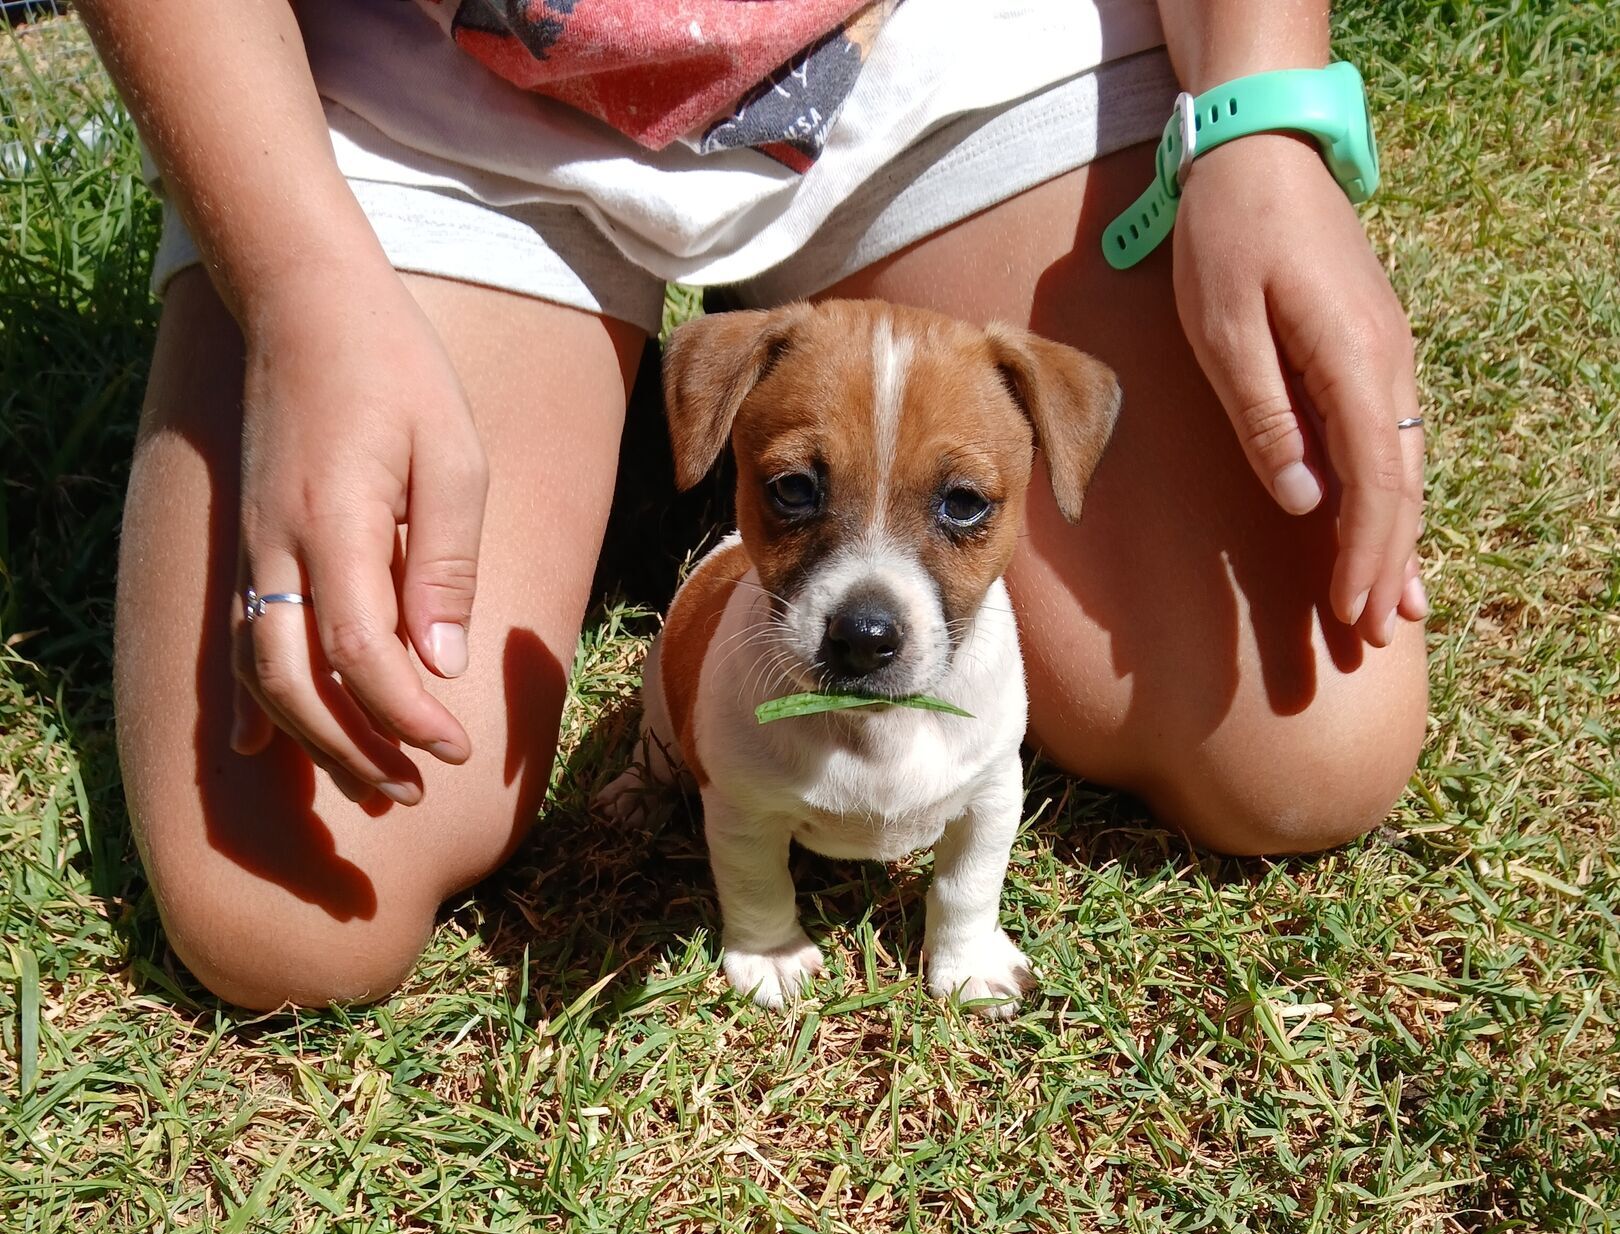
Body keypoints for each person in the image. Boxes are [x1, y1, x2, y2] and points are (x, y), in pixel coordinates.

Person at [80, 0, 1428, 1012]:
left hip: (939, 45)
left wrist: (1261, 111)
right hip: (420, 84)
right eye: (795, 492)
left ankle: (766, 381)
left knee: (1308, 751)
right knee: (296, 909)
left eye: (961, 506)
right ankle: (670, 385)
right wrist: (300, 283)